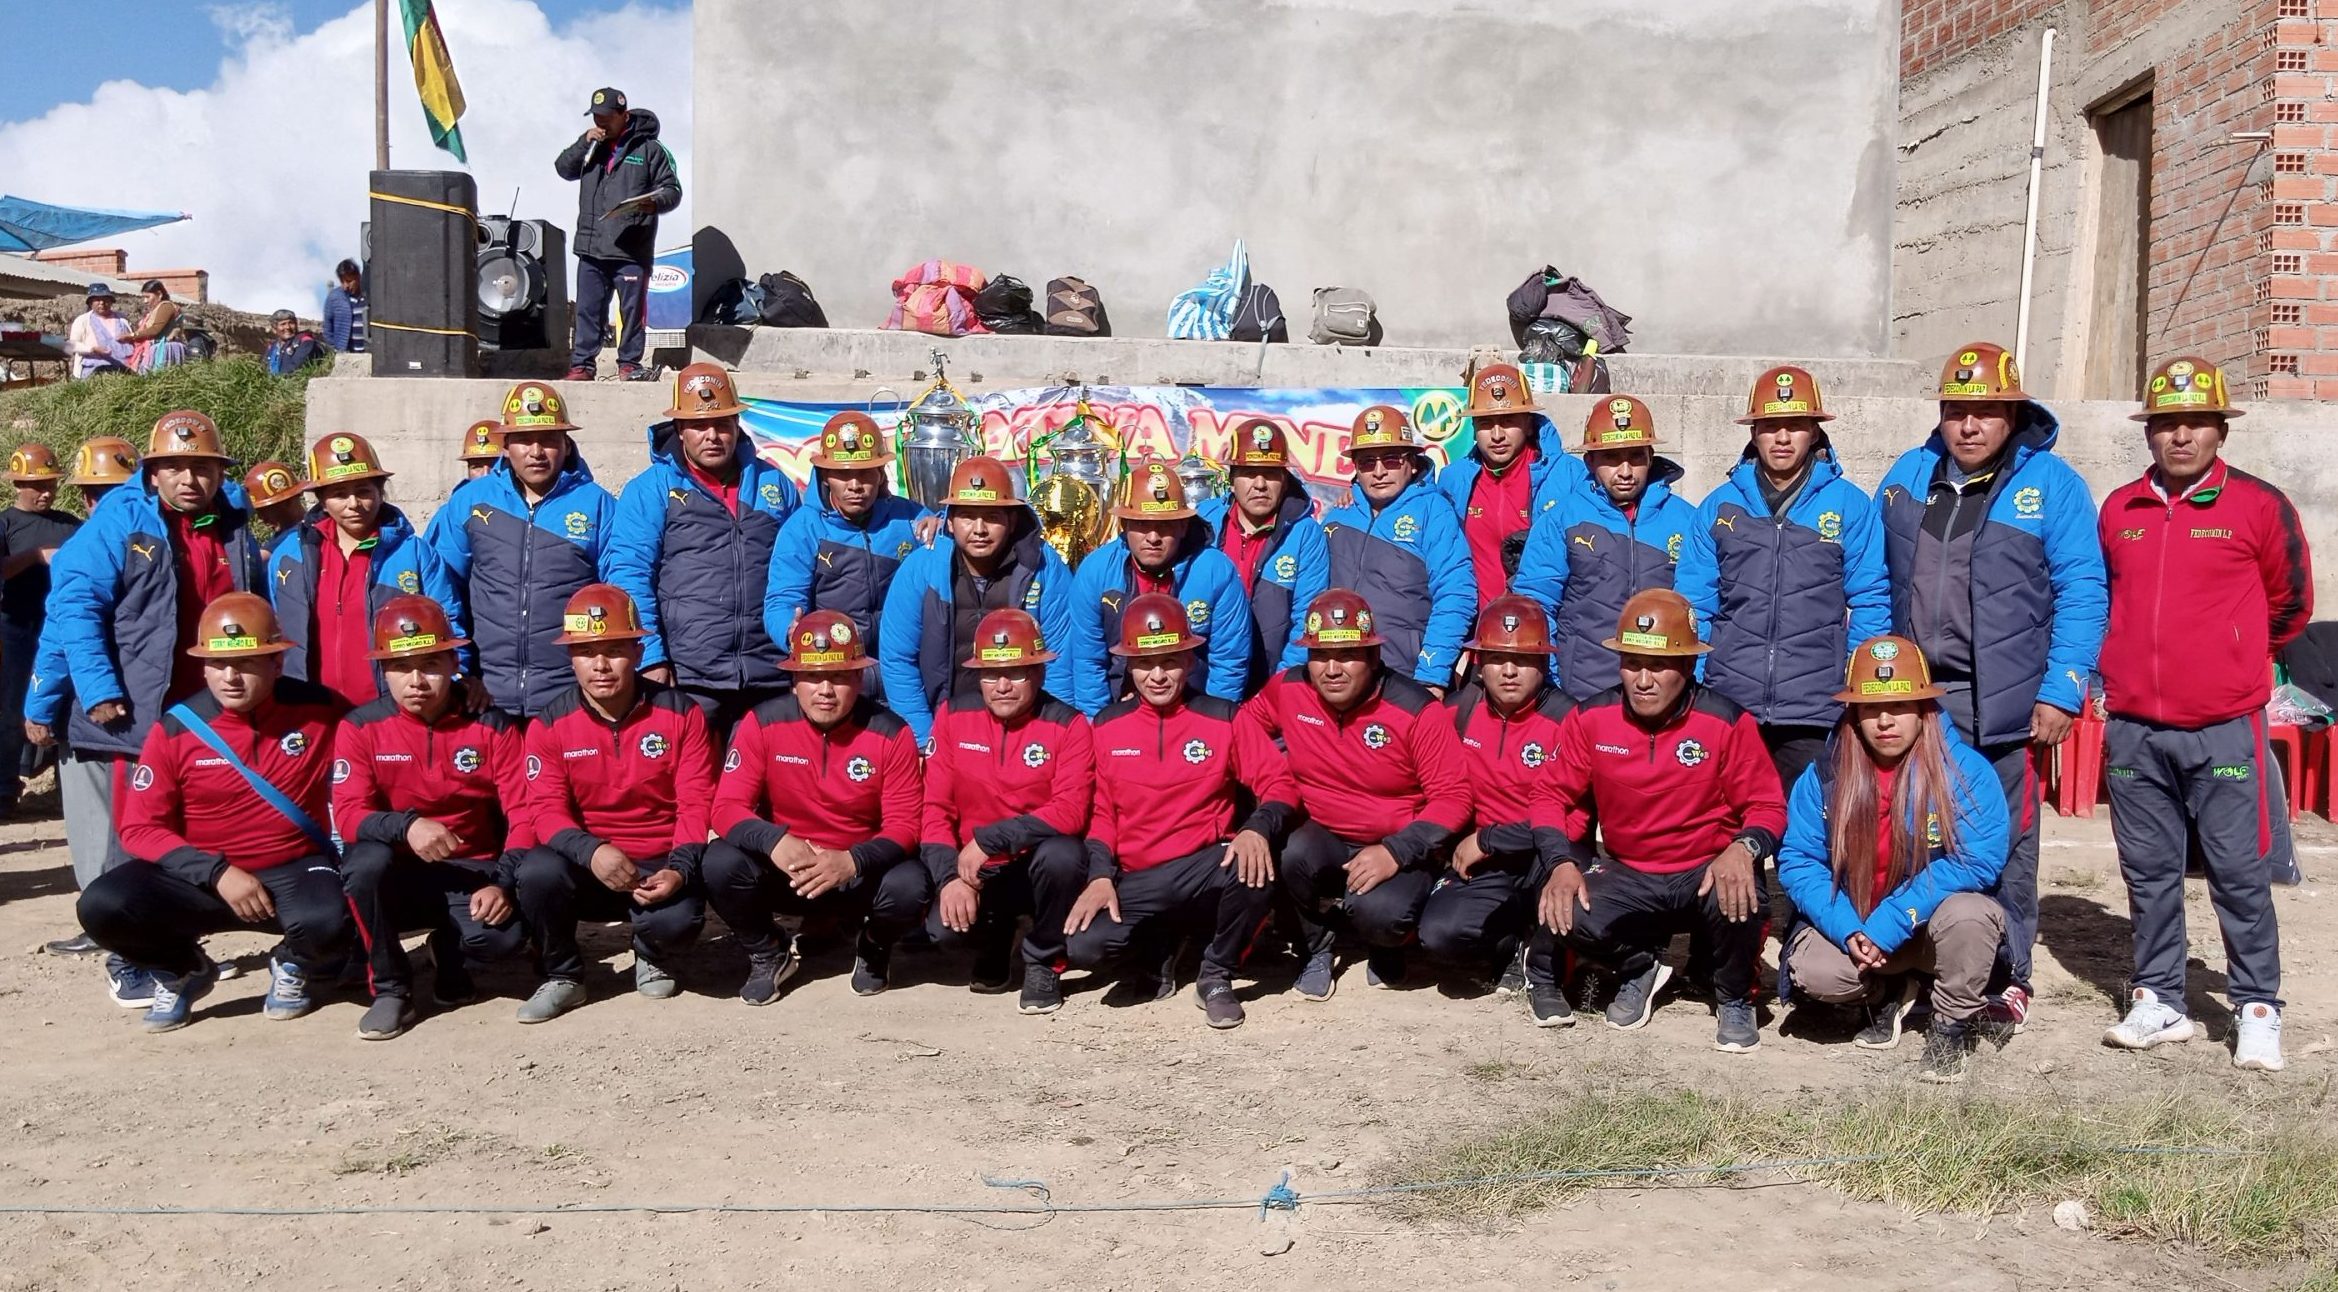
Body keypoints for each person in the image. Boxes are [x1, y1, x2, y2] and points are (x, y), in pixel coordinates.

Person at [1875, 342, 2106, 1034]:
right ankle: (1919, 969)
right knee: (1912, 838)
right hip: (1917, 703)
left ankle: (2007, 977)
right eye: (1956, 412)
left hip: (2004, 703)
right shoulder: (1907, 477)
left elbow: (2083, 591)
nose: (1969, 426)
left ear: (2014, 414)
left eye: (1986, 412)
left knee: (2002, 844)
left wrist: (2063, 690)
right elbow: (1874, 582)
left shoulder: (2052, 485)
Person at [2095, 358, 2308, 1071]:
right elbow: (2104, 602)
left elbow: (2291, 604)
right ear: (2149, 432)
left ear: (2221, 428)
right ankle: (2159, 999)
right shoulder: (2119, 510)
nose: (2180, 436)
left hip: (2224, 725)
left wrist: (2232, 658)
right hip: (2134, 726)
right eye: (2165, 423)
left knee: (2238, 873)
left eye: (2195, 423)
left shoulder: (2259, 505)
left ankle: (2256, 1008)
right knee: (2148, 872)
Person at [43, 412, 266, 962]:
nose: (190, 479)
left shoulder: (234, 523)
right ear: (153, 473)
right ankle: (132, 948)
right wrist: (97, 689)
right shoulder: (121, 521)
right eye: (175, 467)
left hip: (208, 707)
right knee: (130, 832)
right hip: (134, 707)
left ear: (220, 473)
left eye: (202, 467)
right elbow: (75, 606)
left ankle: (181, 931)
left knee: (196, 826)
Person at [74, 592, 349, 1032]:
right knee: (103, 905)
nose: (230, 677)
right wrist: (216, 871)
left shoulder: (322, 710)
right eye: (217, 665)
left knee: (334, 918)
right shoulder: (177, 727)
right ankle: (181, 969)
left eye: (246, 664)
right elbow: (140, 828)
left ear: (277, 663)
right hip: (199, 876)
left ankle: (293, 962)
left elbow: (386, 735)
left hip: (293, 868)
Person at [1527, 589, 1786, 1050]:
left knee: (1745, 894)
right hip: (1630, 869)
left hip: (1705, 867)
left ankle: (1733, 999)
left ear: (1687, 668)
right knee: (1561, 912)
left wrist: (1742, 849)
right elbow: (1548, 794)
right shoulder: (1591, 718)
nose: (1643, 680)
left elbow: (1767, 806)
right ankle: (1640, 965)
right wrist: (1560, 863)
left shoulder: (1726, 721)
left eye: (1659, 666)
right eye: (1632, 664)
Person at [1777, 635, 2009, 1083]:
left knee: (1972, 915)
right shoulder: (1823, 774)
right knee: (1817, 974)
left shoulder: (1967, 770)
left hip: (1924, 929)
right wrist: (1847, 928)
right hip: (1859, 926)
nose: (1885, 720)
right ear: (1853, 714)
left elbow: (1980, 859)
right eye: (1870, 708)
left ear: (1924, 708)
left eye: (1901, 706)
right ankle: (1884, 994)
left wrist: (1895, 918)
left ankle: (1949, 1025)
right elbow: (1799, 860)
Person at [1074, 595, 1295, 1029]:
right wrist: (1100, 873)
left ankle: (1216, 974)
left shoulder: (1224, 717)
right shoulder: (1105, 726)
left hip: (1205, 867)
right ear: (1129, 666)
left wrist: (1257, 828)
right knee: (1086, 946)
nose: (1158, 675)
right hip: (1138, 875)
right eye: (1145, 663)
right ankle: (1162, 949)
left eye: (1171, 661)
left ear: (1191, 661)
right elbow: (1101, 812)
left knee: (1252, 865)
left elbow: (1280, 783)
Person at [1240, 588, 1470, 998]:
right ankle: (1317, 945)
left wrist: (1396, 851)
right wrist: (1273, 782)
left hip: (1396, 842)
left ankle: (1388, 945)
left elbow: (1453, 798)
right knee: (1288, 854)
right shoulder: (1287, 689)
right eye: (1319, 656)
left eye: (1347, 655)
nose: (1332, 669)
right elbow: (1240, 733)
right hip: (1322, 830)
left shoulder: (1416, 710)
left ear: (1373, 657)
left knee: (1382, 914)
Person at [511, 585, 715, 1022]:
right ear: (571, 658)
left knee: (678, 923)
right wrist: (592, 851)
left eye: (614, 650)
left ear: (639, 652)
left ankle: (651, 951)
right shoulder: (549, 723)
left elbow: (696, 803)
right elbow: (545, 811)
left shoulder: (683, 713)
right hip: (588, 861)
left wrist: (678, 869)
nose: (600, 665)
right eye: (586, 652)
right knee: (537, 872)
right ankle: (563, 975)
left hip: (659, 861)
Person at [332, 596, 531, 1040]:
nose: (416, 680)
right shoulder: (360, 727)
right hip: (399, 873)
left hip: (472, 871)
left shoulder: (492, 725)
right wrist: (406, 825)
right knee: (363, 864)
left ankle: (449, 951)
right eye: (401, 667)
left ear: (454, 662)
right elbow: (348, 815)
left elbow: (524, 813)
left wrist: (501, 881)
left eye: (430, 664)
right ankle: (391, 989)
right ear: (384, 671)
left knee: (502, 940)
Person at [702, 611, 924, 1004]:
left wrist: (852, 860)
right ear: (793, 682)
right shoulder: (761, 722)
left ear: (859, 678)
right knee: (719, 862)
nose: (825, 690)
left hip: (857, 873)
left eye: (839, 677)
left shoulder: (893, 732)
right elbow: (726, 808)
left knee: (912, 885)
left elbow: (905, 826)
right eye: (812, 677)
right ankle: (768, 951)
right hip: (790, 870)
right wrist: (774, 841)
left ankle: (873, 944)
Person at [606, 364, 801, 734]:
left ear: (737, 425)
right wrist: (651, 657)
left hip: (771, 676)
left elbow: (802, 567)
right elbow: (630, 578)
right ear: (679, 430)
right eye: (699, 426)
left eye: (723, 424)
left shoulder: (775, 483)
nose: (712, 436)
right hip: (689, 677)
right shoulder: (649, 490)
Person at [919, 608, 1094, 1013]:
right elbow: (935, 809)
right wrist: (949, 879)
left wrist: (993, 838)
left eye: (1016, 672)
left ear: (1039, 672)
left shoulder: (1069, 725)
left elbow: (1071, 811)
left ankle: (1044, 960)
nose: (1002, 686)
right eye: (990, 673)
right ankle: (995, 940)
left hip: (1034, 866)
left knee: (1064, 854)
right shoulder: (952, 716)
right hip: (973, 870)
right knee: (943, 933)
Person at [430, 382, 618, 717]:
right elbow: (443, 592)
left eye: (548, 440)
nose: (536, 451)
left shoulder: (598, 505)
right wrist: (461, 671)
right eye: (524, 440)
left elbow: (615, 596)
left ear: (566, 444)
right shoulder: (471, 501)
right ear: (504, 446)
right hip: (485, 692)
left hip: (569, 695)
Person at [1418, 596, 1574, 994]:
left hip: (1546, 854)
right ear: (1478, 663)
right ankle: (1510, 944)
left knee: (1583, 912)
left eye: (1522, 660)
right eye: (1495, 658)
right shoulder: (1455, 712)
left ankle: (1552, 952)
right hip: (1481, 860)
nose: (1508, 671)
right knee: (1439, 936)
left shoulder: (1571, 720)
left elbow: (1577, 822)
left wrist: (1493, 838)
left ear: (1543, 663)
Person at [22, 435, 140, 959]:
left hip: (94, 713)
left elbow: (60, 638)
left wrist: (39, 707)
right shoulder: (168, 537)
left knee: (96, 825)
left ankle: (107, 924)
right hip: (164, 710)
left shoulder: (85, 547)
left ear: (89, 496)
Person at [1514, 395, 1701, 702]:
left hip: (1663, 690)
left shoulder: (1686, 519)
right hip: (1582, 689)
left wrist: (1693, 675)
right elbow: (1536, 604)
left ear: (1650, 456)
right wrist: (1554, 680)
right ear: (1590, 461)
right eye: (1612, 458)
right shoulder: (1561, 519)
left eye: (1635, 457)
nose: (1625, 471)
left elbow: (1700, 606)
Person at [878, 455, 1075, 745]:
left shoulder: (1044, 568)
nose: (979, 529)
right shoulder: (921, 568)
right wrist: (923, 740)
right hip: (941, 730)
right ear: (950, 521)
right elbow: (897, 658)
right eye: (968, 515)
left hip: (1026, 731)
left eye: (992, 517)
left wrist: (1052, 735)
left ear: (1011, 520)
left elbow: (1060, 659)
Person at [267, 433, 466, 711]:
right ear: (321, 500)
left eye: (363, 491)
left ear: (379, 492)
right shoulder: (290, 555)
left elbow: (450, 623)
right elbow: (275, 625)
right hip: (308, 711)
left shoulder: (414, 554)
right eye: (338, 494)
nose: (353, 504)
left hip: (388, 712)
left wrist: (458, 680)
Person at [1064, 454, 1251, 715]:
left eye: (1164, 526)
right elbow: (1088, 662)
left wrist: (1213, 723)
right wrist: (1099, 725)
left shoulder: (1216, 571)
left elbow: (1229, 661)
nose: (1153, 537)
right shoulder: (1095, 572)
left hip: (1195, 708)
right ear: (1124, 524)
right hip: (1121, 709)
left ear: (1184, 526)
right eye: (1141, 524)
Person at [763, 411, 927, 696]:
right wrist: (789, 632)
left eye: (864, 473)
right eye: (843, 474)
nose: (855, 485)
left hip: (903, 670)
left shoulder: (910, 518)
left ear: (880, 474)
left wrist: (943, 524)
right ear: (826, 476)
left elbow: (961, 530)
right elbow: (782, 600)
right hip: (836, 676)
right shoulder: (802, 529)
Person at [1321, 406, 1473, 694]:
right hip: (1335, 674)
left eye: (1391, 460)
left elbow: (1456, 594)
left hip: (1404, 676)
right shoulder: (1338, 515)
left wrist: (1432, 674)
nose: (1379, 472)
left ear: (1412, 462)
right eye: (1367, 462)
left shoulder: (1434, 511)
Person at [554, 86, 681, 382]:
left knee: (632, 310)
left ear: (624, 115)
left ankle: (629, 364)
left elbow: (672, 190)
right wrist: (582, 143)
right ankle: (582, 365)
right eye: (596, 116)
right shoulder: (591, 146)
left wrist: (653, 203)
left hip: (630, 248)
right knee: (587, 310)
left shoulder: (651, 149)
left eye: (607, 117)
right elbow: (563, 169)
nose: (600, 122)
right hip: (590, 245)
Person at [1436, 362, 1588, 607]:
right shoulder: (1453, 479)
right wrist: (1353, 490)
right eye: (1485, 423)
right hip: (1476, 634)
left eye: (1508, 421)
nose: (1497, 435)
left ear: (1528, 423)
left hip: (1545, 630)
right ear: (1473, 429)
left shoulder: (1571, 476)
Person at [1195, 418, 1328, 692]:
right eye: (1248, 472)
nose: (1259, 484)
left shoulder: (1305, 533)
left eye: (1270, 473)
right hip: (1201, 682)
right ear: (1231, 480)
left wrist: (1278, 691)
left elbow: (1307, 619)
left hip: (1271, 683)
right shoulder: (1202, 522)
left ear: (1284, 480)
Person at [0, 444, 76, 818]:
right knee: (12, 708)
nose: (45, 491)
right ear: (17, 484)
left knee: (66, 704)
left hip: (63, 628)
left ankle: (66, 788)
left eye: (50, 483)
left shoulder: (69, 524)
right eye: (37, 484)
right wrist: (34, 557)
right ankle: (4, 791)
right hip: (17, 628)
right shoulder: (6, 524)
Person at [119, 280, 187, 374]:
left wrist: (131, 335)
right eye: (144, 297)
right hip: (157, 348)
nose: (145, 301)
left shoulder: (166, 306)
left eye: (148, 297)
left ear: (159, 294)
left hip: (166, 349)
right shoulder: (156, 309)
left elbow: (155, 330)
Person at [66, 283, 132, 379]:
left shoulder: (122, 319)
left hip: (124, 367)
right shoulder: (82, 321)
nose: (102, 303)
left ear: (111, 301)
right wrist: (92, 349)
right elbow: (71, 345)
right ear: (90, 303)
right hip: (94, 370)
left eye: (105, 299)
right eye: (97, 300)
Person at [243, 461, 309, 555]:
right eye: (258, 512)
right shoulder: (280, 536)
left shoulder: (307, 533)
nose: (262, 518)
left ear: (287, 502)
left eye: (265, 511)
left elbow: (262, 557)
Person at [264, 309, 329, 376]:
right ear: (274, 329)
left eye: (291, 323)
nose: (287, 327)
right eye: (283, 324)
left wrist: (277, 382)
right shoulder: (272, 348)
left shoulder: (305, 342)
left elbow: (295, 368)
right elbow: (263, 367)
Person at [323, 259, 368, 354]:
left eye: (348, 281)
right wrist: (337, 350)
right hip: (346, 357)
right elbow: (327, 329)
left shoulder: (371, 296)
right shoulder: (334, 298)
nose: (345, 286)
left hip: (370, 356)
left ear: (358, 277)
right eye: (342, 282)